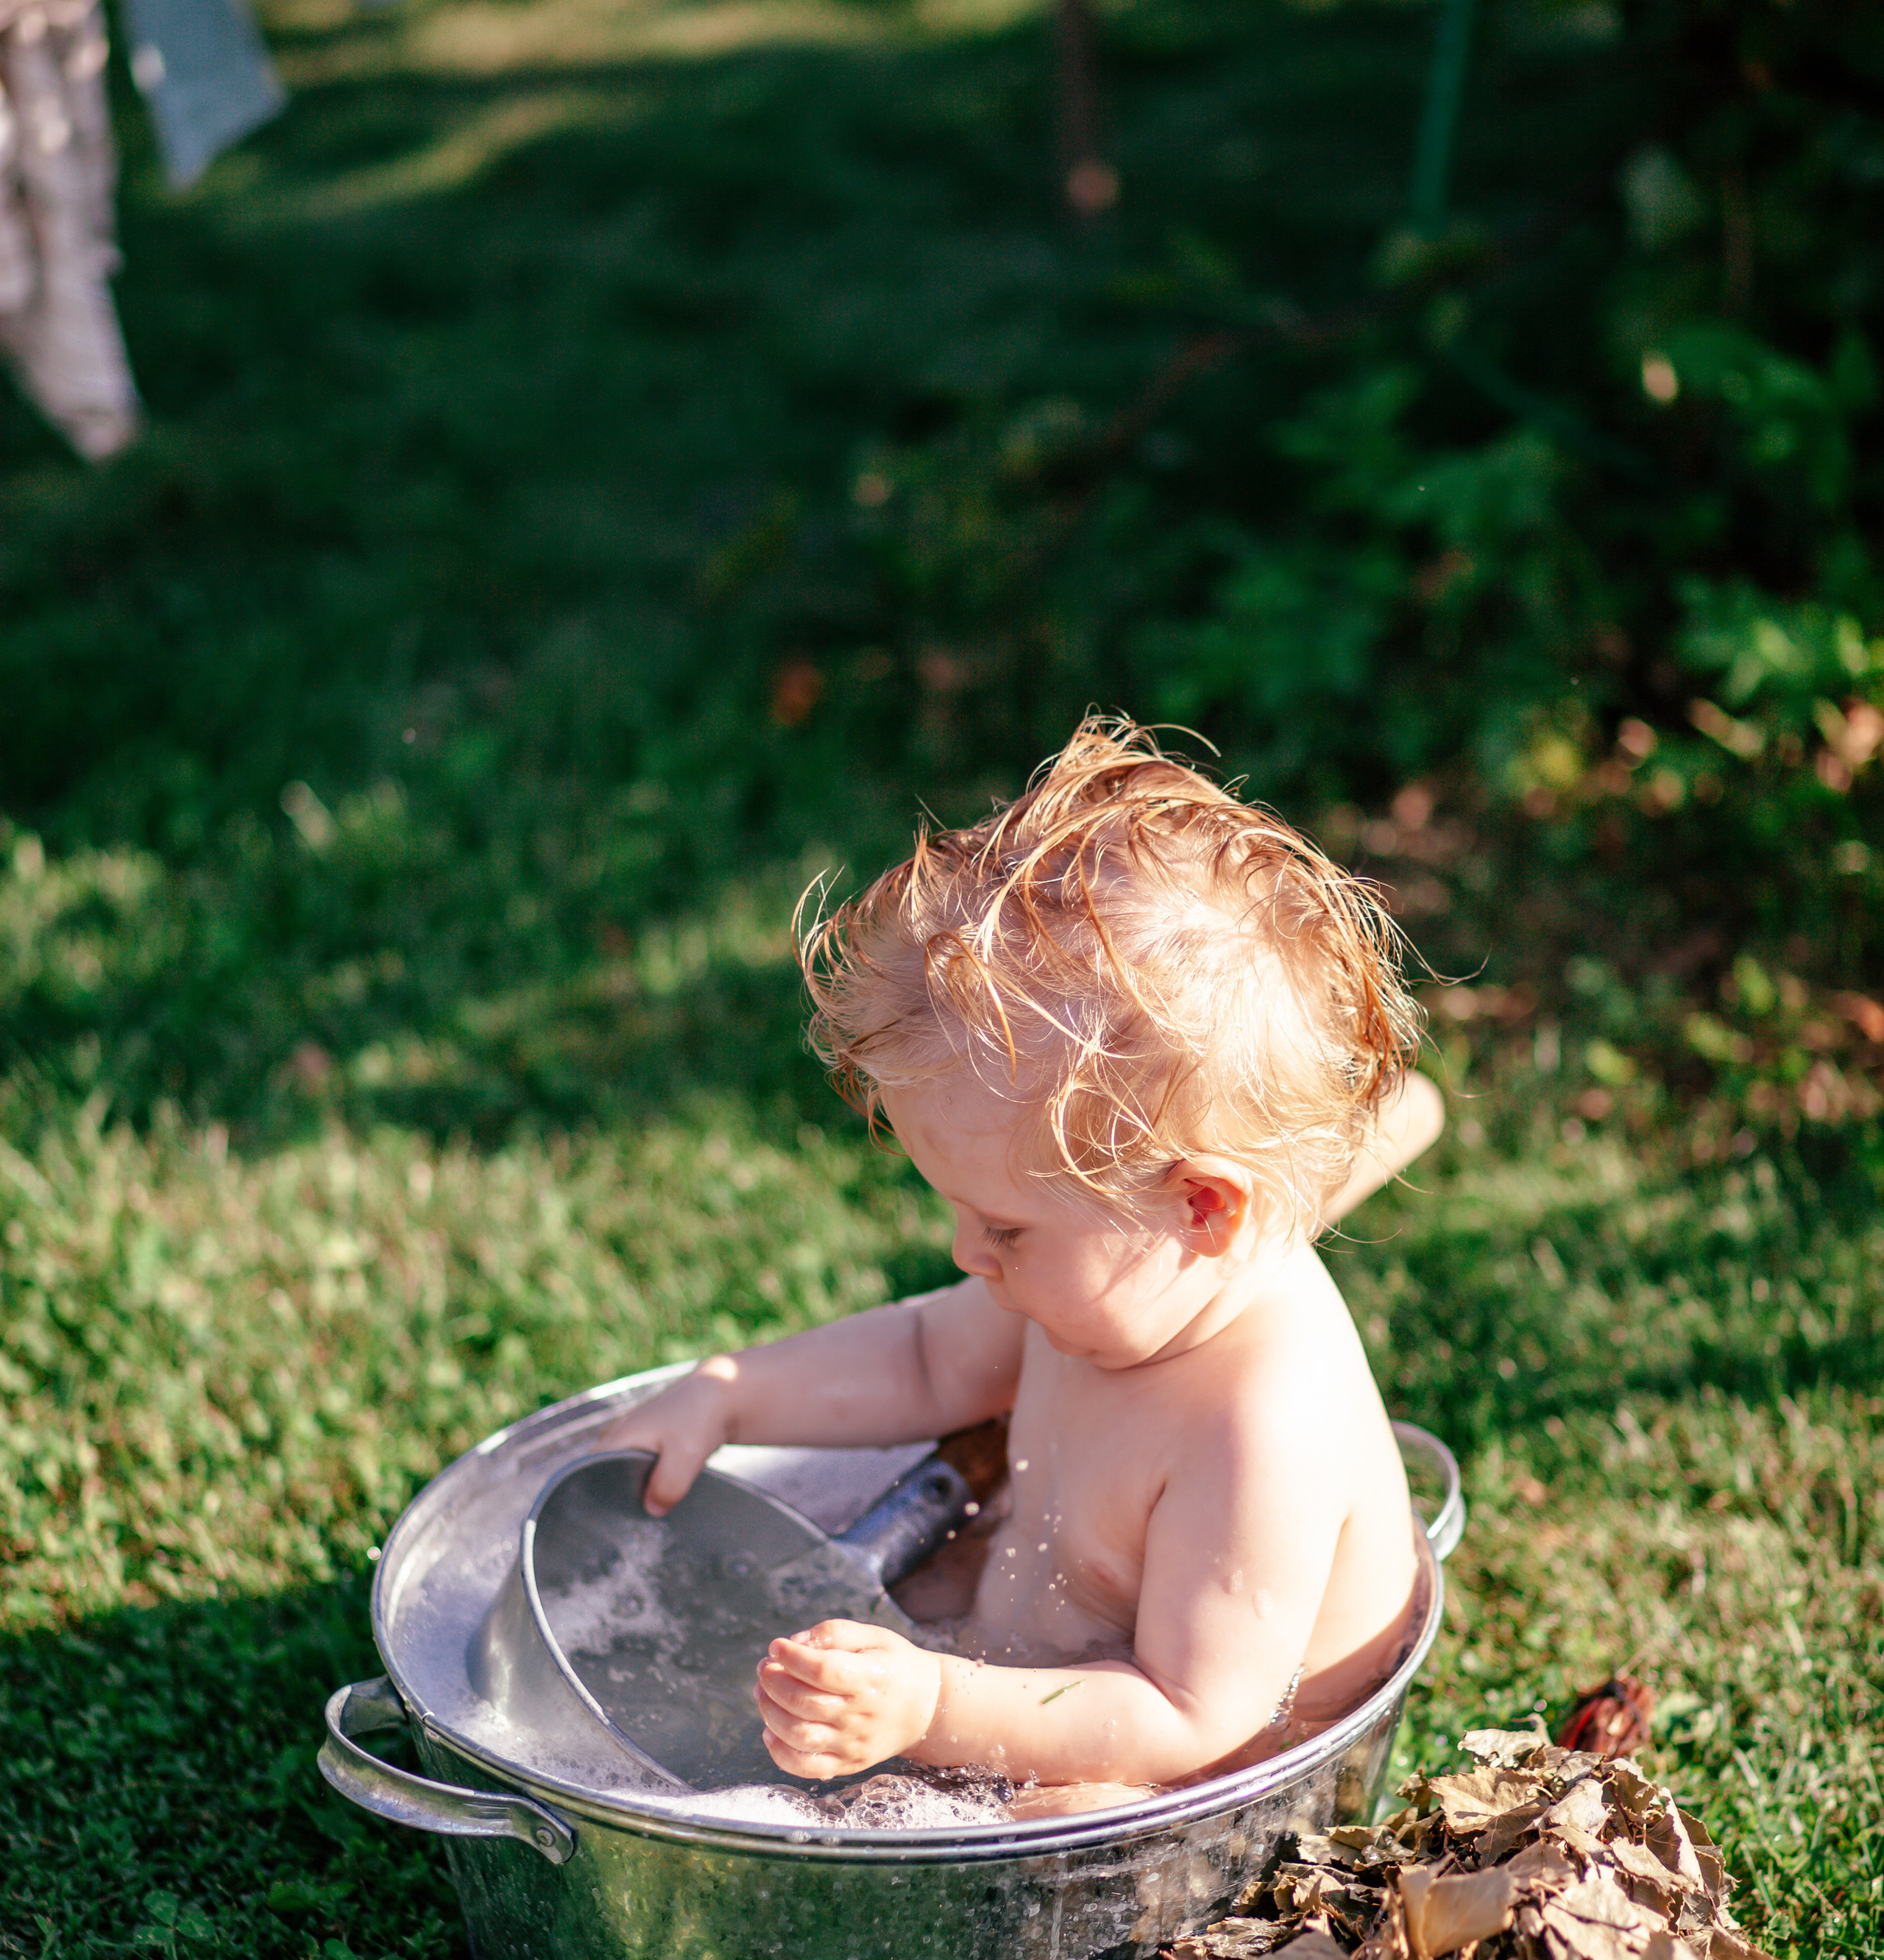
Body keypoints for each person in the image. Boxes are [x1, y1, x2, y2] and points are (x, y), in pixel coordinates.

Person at [598, 719, 1443, 1793]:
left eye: (1003, 1228)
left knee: (1050, 1838)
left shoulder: (1258, 1429)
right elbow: (920, 1361)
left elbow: (1191, 1720)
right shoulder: (1123, 1280)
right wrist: (729, 1395)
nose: (966, 1254)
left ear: (1202, 1213)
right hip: (1034, 1645)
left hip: (1179, 1768)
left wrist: (936, 1704)